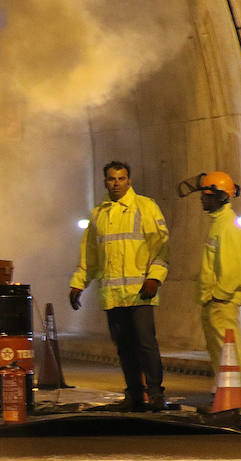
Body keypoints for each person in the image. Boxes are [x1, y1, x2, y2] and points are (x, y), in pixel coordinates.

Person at [69, 161, 170, 411]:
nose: (116, 183)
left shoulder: (146, 207)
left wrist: (155, 278)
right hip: (113, 296)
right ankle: (134, 395)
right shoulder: (99, 214)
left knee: (146, 344)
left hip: (140, 293)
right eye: (112, 179)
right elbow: (90, 255)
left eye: (121, 178)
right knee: (124, 348)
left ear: (129, 180)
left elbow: (161, 247)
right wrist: (78, 284)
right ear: (105, 181)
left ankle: (156, 395)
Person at [195, 171, 241, 378]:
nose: (202, 199)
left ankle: (234, 400)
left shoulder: (228, 227)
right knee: (220, 353)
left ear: (219, 196)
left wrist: (219, 296)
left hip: (222, 303)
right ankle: (224, 397)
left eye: (206, 194)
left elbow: (234, 268)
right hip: (214, 302)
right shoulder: (218, 224)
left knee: (228, 352)